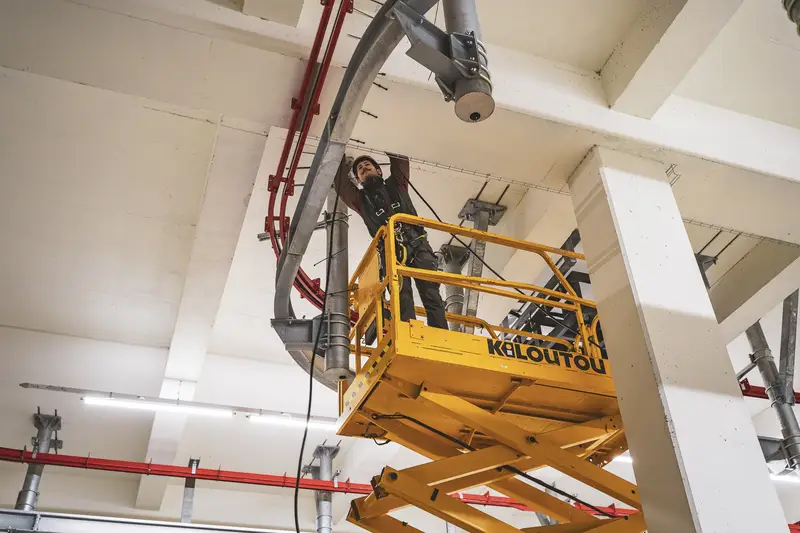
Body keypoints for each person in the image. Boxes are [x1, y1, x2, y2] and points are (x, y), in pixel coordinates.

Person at [334, 152, 447, 330]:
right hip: (391, 251)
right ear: (358, 180)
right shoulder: (361, 201)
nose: (364, 169)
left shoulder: (397, 185)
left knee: (431, 293)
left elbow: (400, 159)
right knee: (401, 296)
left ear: (379, 170)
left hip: (418, 245)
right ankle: (408, 333)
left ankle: (440, 333)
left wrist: (388, 139)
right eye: (360, 169)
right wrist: (338, 153)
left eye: (367, 165)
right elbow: (342, 186)